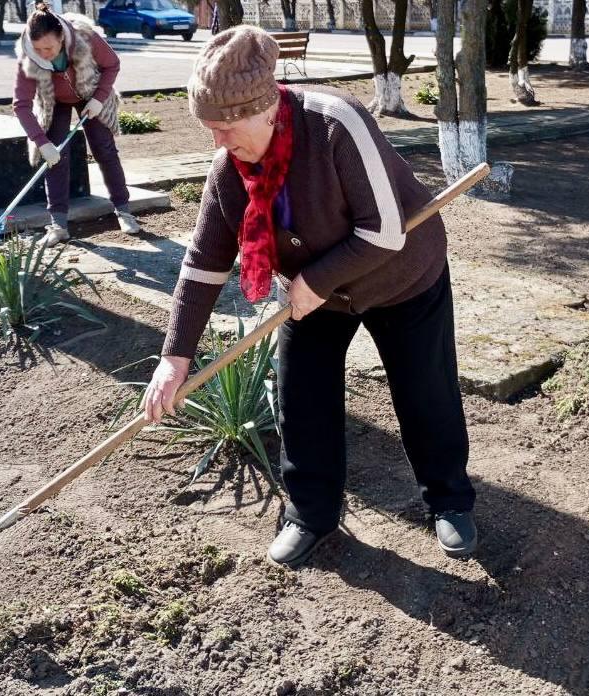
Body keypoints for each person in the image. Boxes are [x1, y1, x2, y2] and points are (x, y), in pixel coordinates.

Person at [143, 26, 476, 569]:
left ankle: (450, 502)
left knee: (425, 391)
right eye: (210, 129)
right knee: (303, 399)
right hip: (311, 295)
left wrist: (316, 281)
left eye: (226, 127)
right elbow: (203, 265)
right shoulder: (231, 169)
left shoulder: (334, 125)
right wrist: (173, 358)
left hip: (401, 276)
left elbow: (385, 231)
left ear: (267, 107)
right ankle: (310, 514)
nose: (218, 142)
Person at [13, 2, 140, 247]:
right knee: (56, 157)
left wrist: (99, 98)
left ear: (61, 36)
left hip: (91, 92)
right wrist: (42, 143)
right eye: (38, 49)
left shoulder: (84, 36)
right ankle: (58, 225)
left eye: (49, 48)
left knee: (104, 149)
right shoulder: (28, 57)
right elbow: (21, 105)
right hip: (54, 101)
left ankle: (124, 211)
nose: (44, 54)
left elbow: (112, 63)